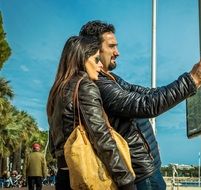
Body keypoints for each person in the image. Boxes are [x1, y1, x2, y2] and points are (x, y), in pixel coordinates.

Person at [79, 20, 201, 190]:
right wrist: (192, 80)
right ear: (94, 49)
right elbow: (145, 105)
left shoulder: (109, 78)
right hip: (141, 174)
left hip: (146, 169)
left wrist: (192, 82)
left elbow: (147, 93)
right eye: (111, 46)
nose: (117, 52)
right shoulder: (98, 83)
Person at [46, 36, 136, 190]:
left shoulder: (57, 90)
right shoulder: (85, 86)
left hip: (64, 176)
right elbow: (101, 136)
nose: (100, 65)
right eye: (96, 60)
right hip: (86, 175)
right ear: (82, 59)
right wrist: (126, 180)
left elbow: (53, 146)